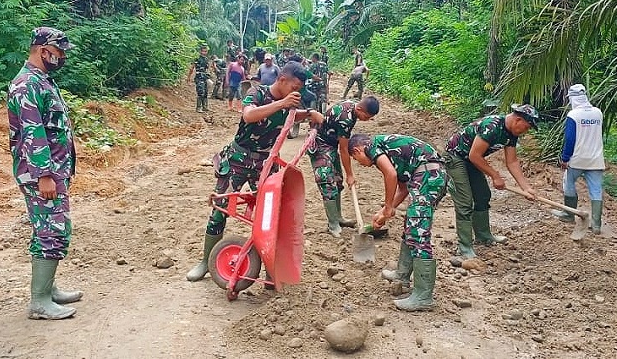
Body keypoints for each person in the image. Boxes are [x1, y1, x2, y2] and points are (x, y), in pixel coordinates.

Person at [186, 63, 324, 283]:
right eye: (295, 87)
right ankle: (206, 262)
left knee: (271, 214)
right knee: (220, 209)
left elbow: (288, 115)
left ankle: (271, 266)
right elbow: (249, 115)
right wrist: (282, 103)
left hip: (266, 164)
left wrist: (308, 114)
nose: (297, 93)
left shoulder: (289, 102)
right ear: (281, 80)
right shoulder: (257, 92)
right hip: (238, 160)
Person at [7, 27, 83, 320]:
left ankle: (47, 289)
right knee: (52, 230)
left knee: (50, 227)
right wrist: (44, 175)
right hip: (42, 173)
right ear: (43, 50)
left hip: (52, 170)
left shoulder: (42, 81)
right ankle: (39, 301)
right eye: (59, 52)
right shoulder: (27, 85)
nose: (62, 57)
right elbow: (33, 133)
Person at [348, 133, 447, 311]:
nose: (361, 164)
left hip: (428, 176)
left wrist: (387, 206)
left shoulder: (372, 146)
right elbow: (402, 189)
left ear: (357, 150)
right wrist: (385, 212)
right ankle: (401, 276)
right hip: (427, 176)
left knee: (418, 233)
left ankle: (423, 297)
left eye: (356, 159)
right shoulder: (391, 152)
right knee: (411, 227)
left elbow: (391, 174)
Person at [445, 104, 539, 266]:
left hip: (471, 159)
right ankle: (464, 247)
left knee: (482, 195)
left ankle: (483, 235)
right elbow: (474, 155)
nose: (527, 131)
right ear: (518, 119)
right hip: (455, 157)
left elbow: (512, 161)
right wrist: (495, 175)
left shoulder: (512, 133)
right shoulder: (493, 126)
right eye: (527, 127)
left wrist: (526, 187)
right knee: (465, 201)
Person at [309, 97, 380, 236]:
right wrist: (350, 174)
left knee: (337, 180)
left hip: (330, 144)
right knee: (327, 181)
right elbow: (344, 149)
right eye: (366, 116)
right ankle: (333, 223)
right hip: (320, 144)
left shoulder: (352, 108)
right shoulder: (345, 119)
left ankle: (339, 217)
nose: (367, 119)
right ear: (360, 109)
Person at [556, 84, 606, 234]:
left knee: (569, 183)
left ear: (572, 98)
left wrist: (565, 158)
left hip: (577, 159)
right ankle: (596, 225)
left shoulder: (574, 115)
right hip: (596, 159)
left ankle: (569, 214)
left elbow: (570, 139)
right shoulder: (598, 113)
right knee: (596, 190)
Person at [187, 45, 211, 112]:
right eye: (203, 51)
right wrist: (188, 77)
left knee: (205, 92)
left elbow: (208, 68)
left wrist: (209, 75)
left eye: (205, 51)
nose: (204, 53)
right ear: (200, 51)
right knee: (200, 92)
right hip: (199, 77)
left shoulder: (206, 59)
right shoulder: (197, 59)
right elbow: (192, 68)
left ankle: (205, 107)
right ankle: (198, 108)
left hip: (205, 77)